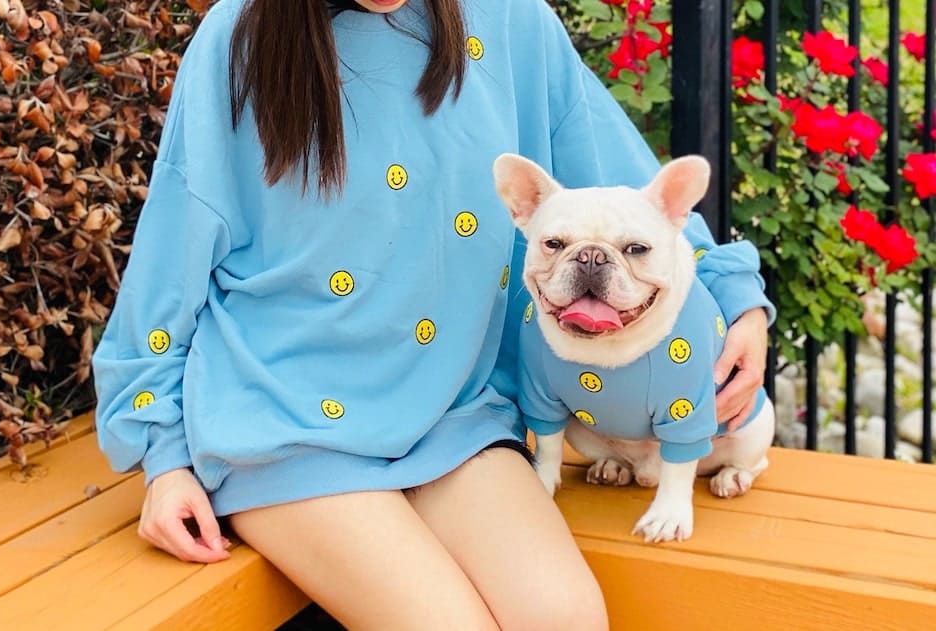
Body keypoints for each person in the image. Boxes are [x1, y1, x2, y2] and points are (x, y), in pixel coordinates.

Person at [91, 0, 775, 628]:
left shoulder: (512, 21)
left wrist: (735, 296)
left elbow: (627, 186)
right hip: (281, 421)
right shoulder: (236, 38)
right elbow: (171, 259)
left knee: (566, 618)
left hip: (456, 411)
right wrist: (167, 456)